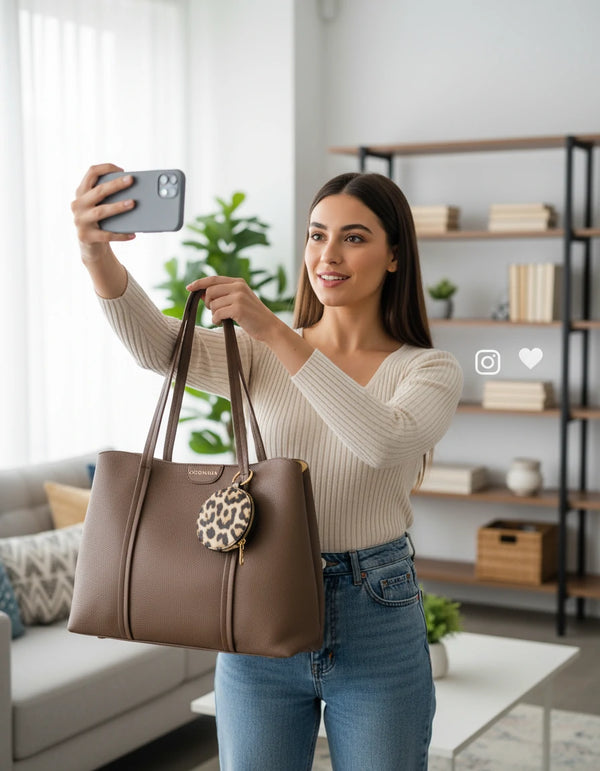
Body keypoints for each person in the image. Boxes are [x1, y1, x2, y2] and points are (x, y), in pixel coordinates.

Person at [72, 164, 463, 770]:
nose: (327, 254)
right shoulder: (257, 352)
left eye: (354, 238)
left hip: (376, 612)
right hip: (255, 601)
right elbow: (157, 346)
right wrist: (94, 252)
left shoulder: (427, 371)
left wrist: (278, 333)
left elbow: (383, 443)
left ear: (394, 256)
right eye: (316, 234)